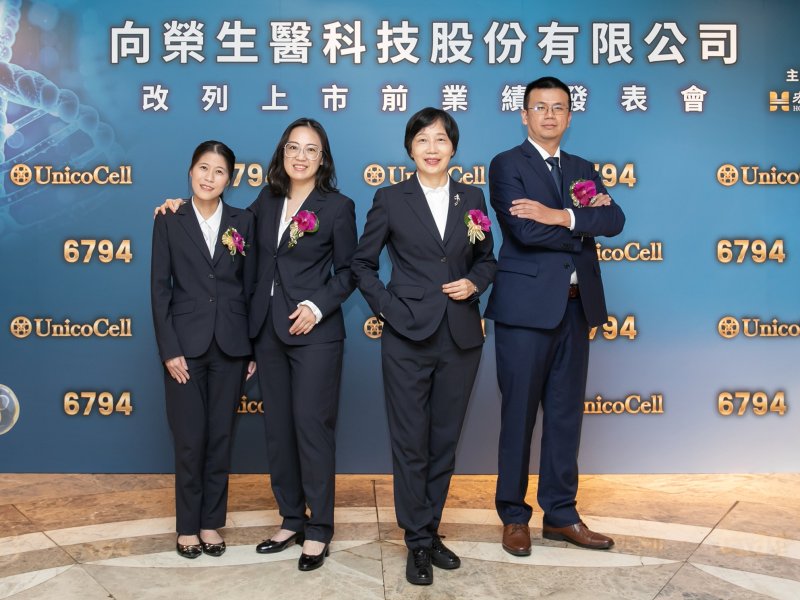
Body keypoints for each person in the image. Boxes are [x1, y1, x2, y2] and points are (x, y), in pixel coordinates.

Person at [351, 107, 497, 586]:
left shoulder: (472, 197)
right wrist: (390, 309)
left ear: (453, 148)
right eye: (422, 140)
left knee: (443, 442)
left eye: (441, 140)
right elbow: (362, 264)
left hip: (460, 336)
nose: (432, 148)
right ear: (409, 148)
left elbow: (487, 259)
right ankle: (416, 540)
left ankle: (430, 529)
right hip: (406, 337)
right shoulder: (391, 198)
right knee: (410, 442)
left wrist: (474, 283)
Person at [485, 76, 625, 556]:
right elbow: (523, 232)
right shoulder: (507, 164)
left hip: (575, 308)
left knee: (565, 417)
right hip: (525, 312)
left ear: (569, 115)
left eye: (559, 107)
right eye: (540, 107)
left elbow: (615, 220)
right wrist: (581, 223)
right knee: (518, 416)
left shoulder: (583, 168)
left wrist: (560, 215)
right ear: (524, 115)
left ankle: (561, 515)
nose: (549, 115)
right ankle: (513, 515)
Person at [247, 118, 357, 571]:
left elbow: (349, 272)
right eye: (293, 147)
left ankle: (320, 528)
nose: (301, 156)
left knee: (312, 428)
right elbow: (233, 233)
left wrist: (316, 306)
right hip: (267, 332)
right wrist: (183, 208)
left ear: (322, 159)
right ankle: (292, 518)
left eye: (311, 149)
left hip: (315, 334)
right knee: (279, 431)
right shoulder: (266, 200)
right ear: (282, 152)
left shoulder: (338, 206)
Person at [151, 140, 257, 559]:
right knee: (189, 439)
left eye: (219, 171)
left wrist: (251, 348)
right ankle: (186, 527)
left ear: (230, 178)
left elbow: (250, 287)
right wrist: (169, 349)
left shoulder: (243, 221)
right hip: (185, 348)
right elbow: (159, 289)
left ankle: (211, 522)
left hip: (231, 345)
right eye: (203, 168)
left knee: (220, 438)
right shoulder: (169, 218)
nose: (209, 177)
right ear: (190, 171)